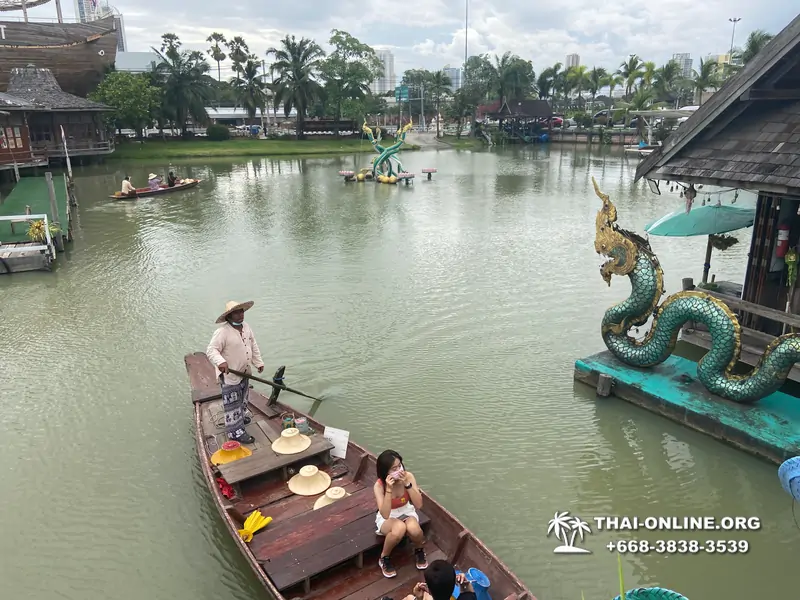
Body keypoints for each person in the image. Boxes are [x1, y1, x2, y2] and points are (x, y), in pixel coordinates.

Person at [205, 300, 265, 444]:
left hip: (244, 372)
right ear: (229, 316)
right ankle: (235, 432)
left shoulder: (246, 327)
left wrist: (258, 362)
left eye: (242, 311)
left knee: (243, 398)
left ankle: (241, 417)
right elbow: (211, 350)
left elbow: (253, 344)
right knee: (232, 403)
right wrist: (221, 362)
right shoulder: (222, 332)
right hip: (230, 375)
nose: (240, 315)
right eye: (236, 312)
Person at [374, 449, 427, 578]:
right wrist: (389, 490)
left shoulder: (408, 476)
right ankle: (384, 558)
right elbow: (385, 514)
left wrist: (407, 485)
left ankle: (419, 550)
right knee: (399, 528)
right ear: (385, 471)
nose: (399, 470)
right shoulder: (379, 486)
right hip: (388, 516)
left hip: (406, 510)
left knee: (415, 530)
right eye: (393, 469)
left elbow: (419, 504)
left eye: (399, 466)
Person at [402, 561, 476, 600]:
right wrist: (464, 585)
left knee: (409, 597)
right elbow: (469, 593)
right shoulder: (468, 598)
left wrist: (418, 598)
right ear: (455, 585)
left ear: (428, 590)